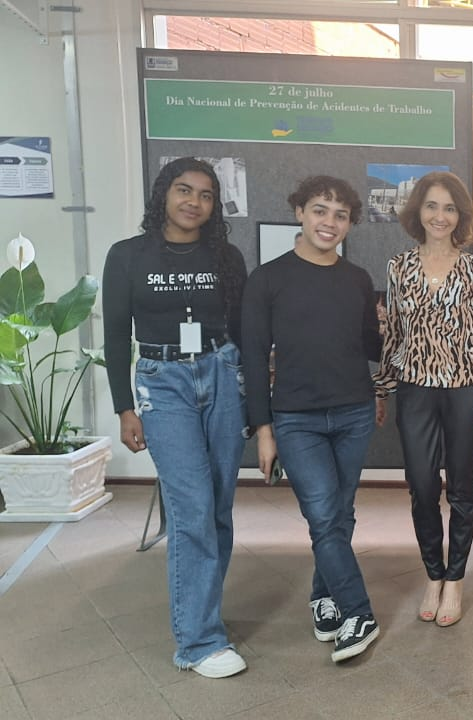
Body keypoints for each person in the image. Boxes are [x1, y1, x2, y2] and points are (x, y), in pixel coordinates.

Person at [102, 157, 249, 678]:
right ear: (164, 194)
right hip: (163, 383)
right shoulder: (127, 256)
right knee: (190, 509)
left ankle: (201, 612)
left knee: (219, 507)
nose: (194, 202)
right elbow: (116, 335)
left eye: (206, 195)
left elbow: (241, 328)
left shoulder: (226, 257)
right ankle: (199, 642)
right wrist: (125, 408)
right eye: (184, 190)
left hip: (222, 372)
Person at [241, 175, 385, 663]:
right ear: (299, 212)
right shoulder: (268, 278)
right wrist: (264, 430)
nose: (330, 222)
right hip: (296, 419)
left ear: (349, 224)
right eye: (320, 210)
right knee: (323, 514)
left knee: (337, 517)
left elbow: (370, 347)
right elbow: (255, 357)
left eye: (340, 215)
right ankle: (358, 611)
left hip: (354, 412)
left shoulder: (358, 279)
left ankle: (324, 597)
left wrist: (396, 326)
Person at [373, 171, 473, 628]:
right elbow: (394, 335)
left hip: (467, 388)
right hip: (416, 389)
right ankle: (433, 573)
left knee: (463, 489)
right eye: (432, 206)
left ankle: (456, 579)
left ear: (460, 216)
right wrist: (383, 389)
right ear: (418, 212)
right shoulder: (399, 267)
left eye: (450, 208)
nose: (440, 216)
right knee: (423, 486)